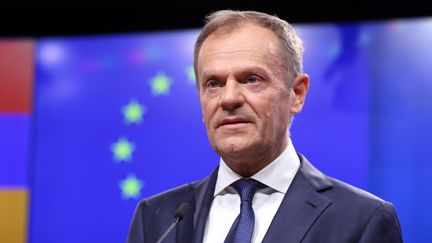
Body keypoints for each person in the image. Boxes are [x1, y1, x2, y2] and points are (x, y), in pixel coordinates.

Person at [127, 10, 403, 243]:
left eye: (251, 79)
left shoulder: (361, 220)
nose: (229, 98)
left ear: (297, 94)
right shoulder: (157, 218)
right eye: (214, 83)